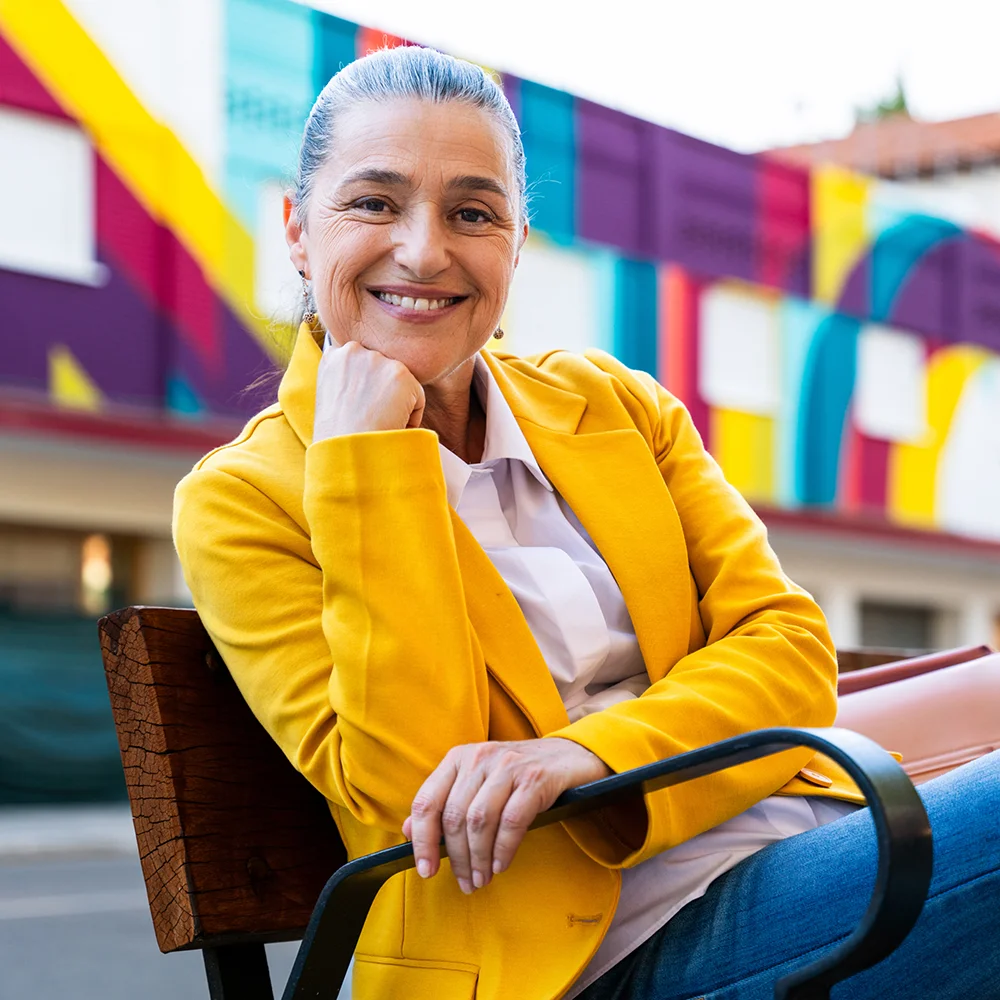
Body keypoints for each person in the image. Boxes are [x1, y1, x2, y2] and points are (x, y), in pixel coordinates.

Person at [173, 46, 1000, 1000]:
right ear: (297, 231)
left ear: (516, 244)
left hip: (807, 847)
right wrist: (368, 463)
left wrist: (590, 753)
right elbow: (417, 792)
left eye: (473, 213)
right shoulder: (246, 499)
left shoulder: (613, 404)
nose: (425, 249)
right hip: (577, 958)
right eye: (374, 203)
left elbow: (786, 647)